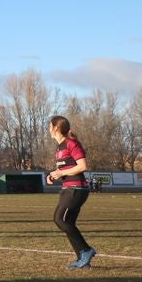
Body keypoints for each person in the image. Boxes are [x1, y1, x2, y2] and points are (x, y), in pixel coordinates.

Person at [46, 115, 96, 269]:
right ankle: (82, 259)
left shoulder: (71, 143)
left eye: (50, 126)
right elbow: (66, 168)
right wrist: (54, 175)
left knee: (59, 219)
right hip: (69, 187)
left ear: (55, 128)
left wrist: (61, 173)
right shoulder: (59, 146)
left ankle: (86, 251)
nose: (48, 129)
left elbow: (82, 166)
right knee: (68, 223)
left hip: (77, 188)